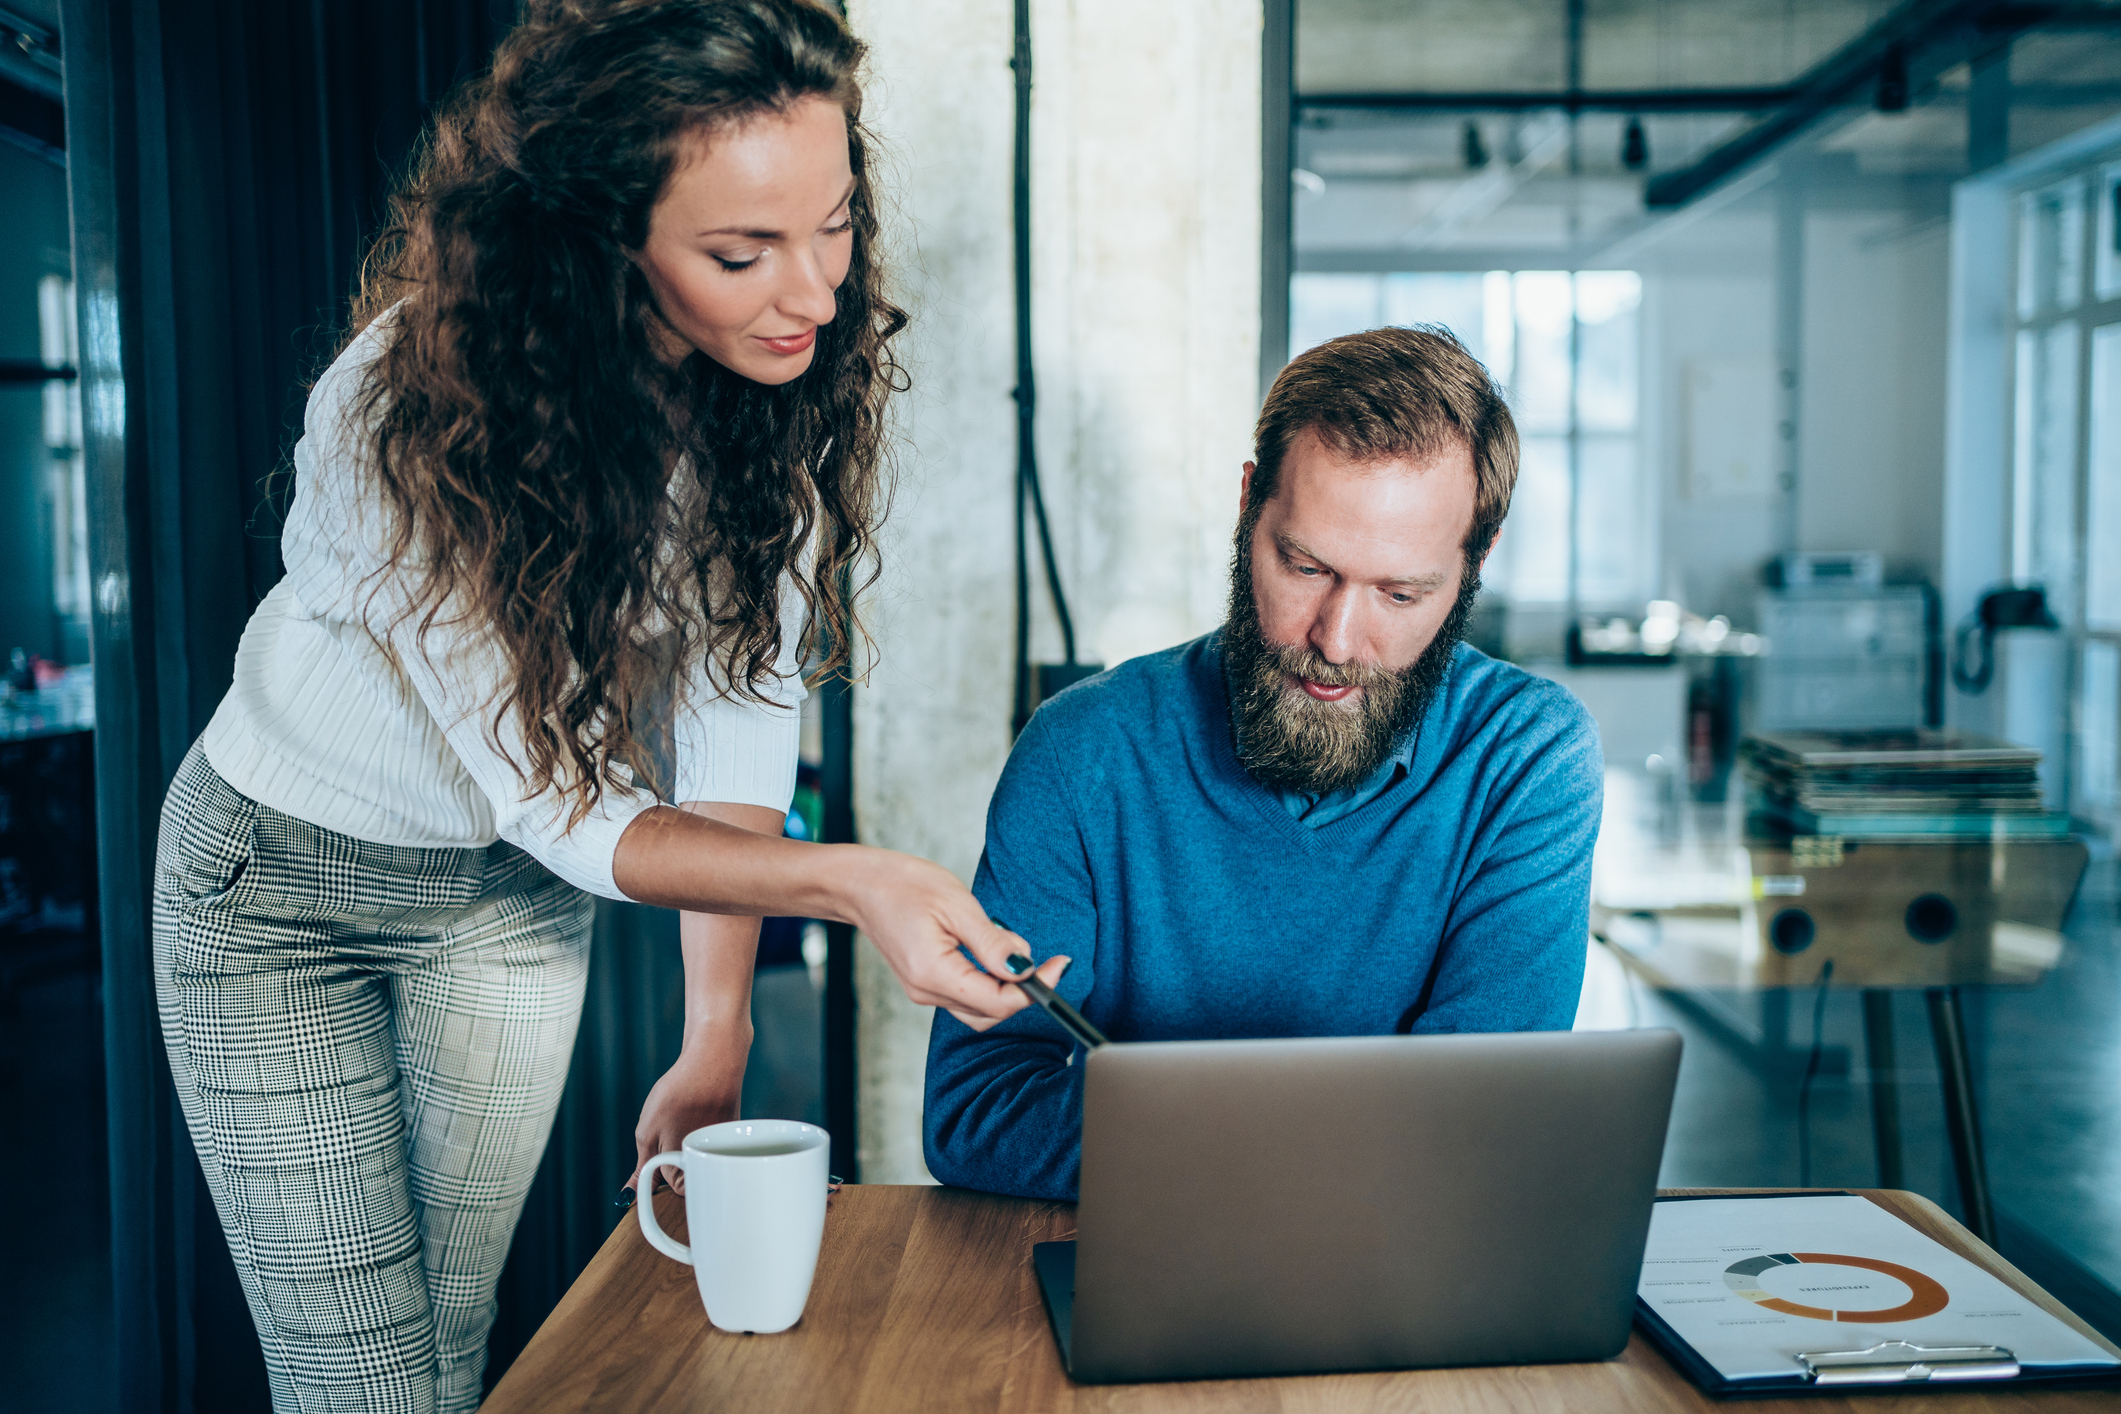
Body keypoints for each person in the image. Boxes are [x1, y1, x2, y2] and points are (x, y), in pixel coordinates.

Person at [152, 3, 1062, 1410]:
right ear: (598, 240)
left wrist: (719, 1037)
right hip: (279, 893)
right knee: (369, 1386)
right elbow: (562, 803)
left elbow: (737, 723)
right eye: (740, 253)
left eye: (832, 223)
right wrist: (854, 881)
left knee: (452, 1348)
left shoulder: (768, 410)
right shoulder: (409, 413)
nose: (814, 293)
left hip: (502, 907)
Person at [923, 326, 1603, 1202]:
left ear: (1477, 559)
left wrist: (1191, 1133)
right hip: (1135, 1273)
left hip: (1403, 1278)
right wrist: (1344, 1141)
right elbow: (979, 1110)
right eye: (1305, 566)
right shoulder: (1080, 752)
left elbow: (1480, 1121)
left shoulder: (1529, 758)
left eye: (1401, 594)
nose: (1336, 639)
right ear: (1249, 506)